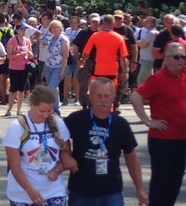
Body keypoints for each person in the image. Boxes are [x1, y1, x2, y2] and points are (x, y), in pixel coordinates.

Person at [64, 78, 148, 205]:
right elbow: (55, 136)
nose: (103, 100)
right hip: (80, 192)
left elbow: (132, 159)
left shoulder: (120, 124)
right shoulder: (76, 120)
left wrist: (140, 189)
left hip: (111, 193)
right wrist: (66, 155)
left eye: (106, 96)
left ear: (113, 97)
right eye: (99, 96)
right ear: (90, 96)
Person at [130, 43, 186, 206]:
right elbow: (135, 97)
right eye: (177, 57)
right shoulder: (158, 79)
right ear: (167, 59)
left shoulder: (183, 76)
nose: (181, 60)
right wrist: (148, 121)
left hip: (182, 139)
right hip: (163, 140)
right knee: (161, 184)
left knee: (175, 182)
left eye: (183, 57)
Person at [3, 85, 73, 206]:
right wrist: (30, 191)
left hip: (53, 191)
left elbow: (66, 153)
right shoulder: (17, 127)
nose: (46, 115)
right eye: (42, 111)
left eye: (49, 111)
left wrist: (57, 170)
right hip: (23, 194)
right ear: (32, 105)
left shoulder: (58, 123)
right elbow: (14, 166)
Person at [6, 24, 34, 117]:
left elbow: (31, 55)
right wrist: (19, 55)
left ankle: (19, 110)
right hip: (14, 67)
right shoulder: (12, 41)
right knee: (13, 89)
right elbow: (9, 56)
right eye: (22, 29)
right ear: (17, 30)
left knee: (21, 89)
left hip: (24, 67)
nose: (23, 31)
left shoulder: (27, 41)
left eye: (25, 30)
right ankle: (9, 109)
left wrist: (28, 53)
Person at [44, 20, 69, 115]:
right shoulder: (50, 39)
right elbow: (48, 54)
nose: (54, 29)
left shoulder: (64, 39)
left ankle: (56, 108)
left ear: (60, 28)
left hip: (58, 66)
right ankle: (53, 107)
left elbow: (65, 56)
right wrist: (44, 69)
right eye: (52, 27)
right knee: (52, 89)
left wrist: (63, 70)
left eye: (56, 27)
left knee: (52, 86)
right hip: (49, 65)